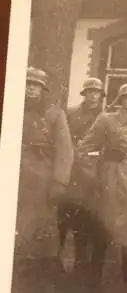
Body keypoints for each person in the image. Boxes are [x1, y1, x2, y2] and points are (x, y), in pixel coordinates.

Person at [77, 83, 127, 291]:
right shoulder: (106, 119)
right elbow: (86, 147)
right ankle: (98, 276)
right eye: (126, 97)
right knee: (106, 225)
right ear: (120, 99)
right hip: (110, 177)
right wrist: (93, 174)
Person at [12, 67, 74, 293]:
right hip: (13, 173)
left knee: (41, 229)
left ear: (42, 89)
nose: (30, 88)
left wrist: (59, 182)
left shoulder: (54, 114)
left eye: (35, 85)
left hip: (41, 177)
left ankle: (42, 276)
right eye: (27, 84)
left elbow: (65, 151)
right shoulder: (12, 107)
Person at [60, 77, 106, 289]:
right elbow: (64, 139)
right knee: (72, 218)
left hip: (98, 172)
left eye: (97, 93)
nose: (93, 96)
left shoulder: (106, 116)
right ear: (84, 94)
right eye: (90, 92)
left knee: (95, 220)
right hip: (75, 170)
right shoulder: (70, 113)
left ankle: (91, 270)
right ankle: (73, 264)